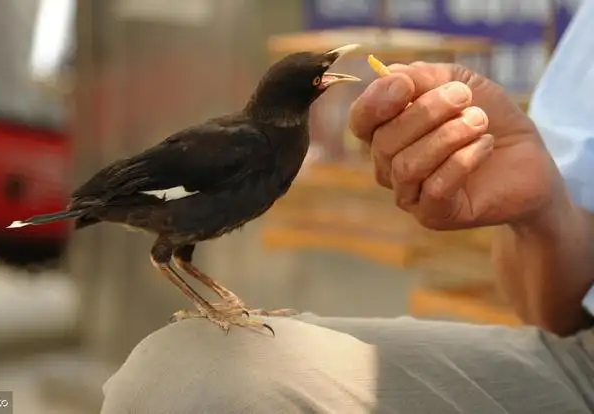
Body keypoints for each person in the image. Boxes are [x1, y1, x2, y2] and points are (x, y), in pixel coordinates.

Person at [100, 2, 594, 413]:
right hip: (580, 364)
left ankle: (224, 308)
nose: (329, 72)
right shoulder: (239, 143)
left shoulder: (269, 140)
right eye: (317, 75)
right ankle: (220, 312)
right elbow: (552, 310)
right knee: (182, 375)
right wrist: (544, 207)